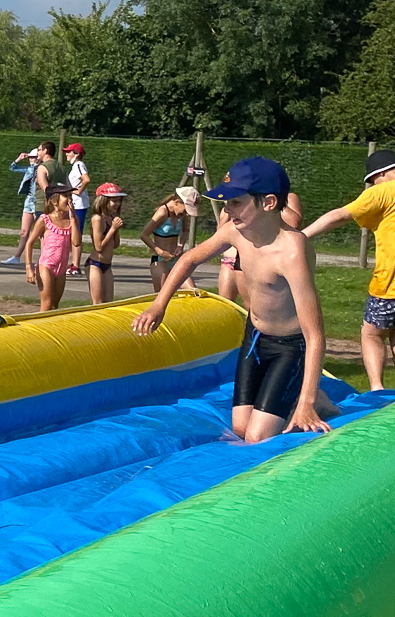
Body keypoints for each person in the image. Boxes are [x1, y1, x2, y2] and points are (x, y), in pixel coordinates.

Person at [132, 156, 330, 441]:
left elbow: (315, 335)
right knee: (240, 428)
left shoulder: (291, 251)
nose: (227, 210)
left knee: (256, 438)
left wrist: (306, 404)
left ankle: (314, 397)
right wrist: (159, 305)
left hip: (290, 346)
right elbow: (189, 259)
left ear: (269, 202)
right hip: (256, 337)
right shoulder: (236, 232)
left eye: (236, 202)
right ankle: (295, 396)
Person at [304, 148, 395, 393]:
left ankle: (377, 390)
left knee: (371, 334)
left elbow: (339, 216)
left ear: (380, 174)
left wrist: (301, 236)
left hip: (394, 280)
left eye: (371, 181)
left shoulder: (382, 191)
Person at [24, 180, 76, 311]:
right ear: (54, 201)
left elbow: (76, 242)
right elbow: (30, 243)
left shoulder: (71, 221)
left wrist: (74, 219)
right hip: (46, 266)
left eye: (70, 196)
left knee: (54, 306)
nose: (70, 200)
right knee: (46, 305)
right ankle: (38, 324)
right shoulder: (45, 219)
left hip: (61, 268)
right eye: (66, 196)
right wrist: (29, 267)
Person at [140, 190, 191, 291]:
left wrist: (180, 246)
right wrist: (160, 251)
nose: (187, 214)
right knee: (162, 294)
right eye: (186, 210)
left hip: (175, 259)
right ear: (176, 202)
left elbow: (185, 231)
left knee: (193, 291)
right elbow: (144, 235)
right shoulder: (162, 213)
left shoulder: (182, 215)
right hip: (160, 259)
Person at [2, 146, 44, 266]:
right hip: (29, 201)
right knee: (24, 231)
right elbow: (13, 168)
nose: (31, 159)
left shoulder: (41, 169)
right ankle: (17, 257)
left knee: (41, 232)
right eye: (30, 157)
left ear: (38, 158)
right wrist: (19, 158)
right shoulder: (29, 169)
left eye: (33, 157)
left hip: (38, 201)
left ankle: (43, 259)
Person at [86, 182, 126, 303]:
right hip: (95, 264)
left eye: (119, 201)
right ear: (104, 200)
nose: (117, 204)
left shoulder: (111, 218)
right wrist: (113, 229)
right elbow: (98, 247)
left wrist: (116, 230)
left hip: (107, 265)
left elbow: (115, 245)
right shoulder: (97, 219)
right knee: (98, 303)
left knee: (109, 303)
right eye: (114, 201)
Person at [65, 142, 90, 276]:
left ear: (76, 154)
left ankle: (75, 265)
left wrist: (78, 191)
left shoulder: (79, 165)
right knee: (71, 233)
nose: (67, 154)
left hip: (78, 205)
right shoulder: (75, 166)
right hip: (74, 204)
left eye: (69, 152)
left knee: (76, 234)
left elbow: (86, 179)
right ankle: (72, 264)